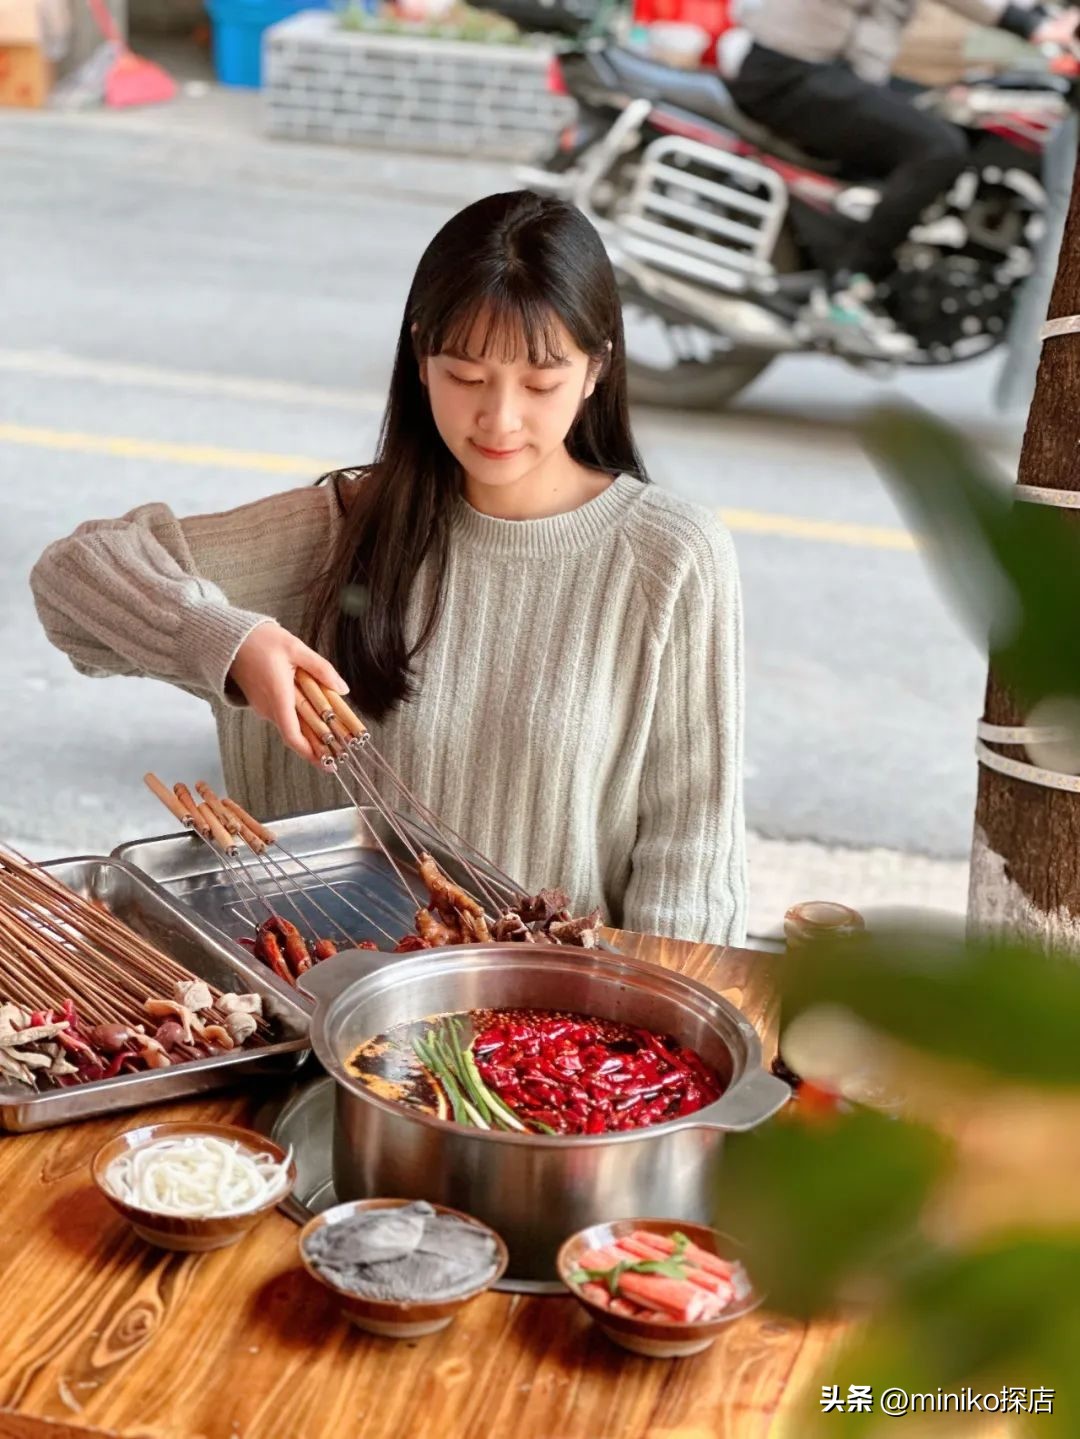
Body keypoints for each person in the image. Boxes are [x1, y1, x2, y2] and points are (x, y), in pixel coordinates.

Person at [30, 190, 747, 945]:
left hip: (546, 1038)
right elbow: (71, 579)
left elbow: (690, 860)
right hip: (314, 1010)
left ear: (596, 368)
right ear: (420, 356)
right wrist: (229, 644)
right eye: (466, 376)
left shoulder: (669, 557)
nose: (499, 419)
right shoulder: (337, 528)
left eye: (541, 384)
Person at [726, 0, 1079, 357]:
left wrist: (1041, 13)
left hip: (834, 69)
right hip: (790, 70)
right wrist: (1028, 24)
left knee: (946, 111)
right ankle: (847, 289)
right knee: (939, 149)